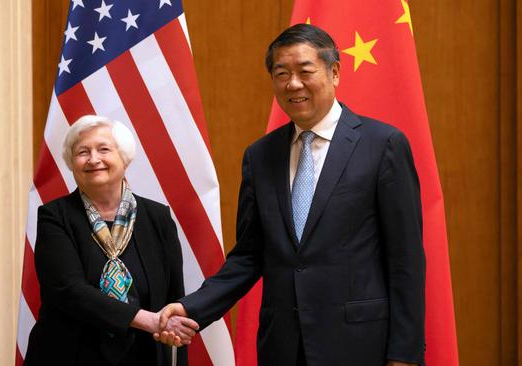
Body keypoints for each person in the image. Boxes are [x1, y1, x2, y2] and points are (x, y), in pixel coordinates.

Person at [156, 24, 425, 366]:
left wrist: (404, 355)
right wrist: (191, 306)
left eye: (305, 71)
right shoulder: (260, 155)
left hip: (360, 345)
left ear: (335, 72)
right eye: (281, 73)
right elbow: (249, 256)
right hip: (283, 346)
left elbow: (406, 261)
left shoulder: (382, 145)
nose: (293, 84)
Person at [24, 115, 197, 365]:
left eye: (104, 149)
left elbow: (173, 298)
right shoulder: (54, 216)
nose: (94, 159)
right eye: (82, 152)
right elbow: (68, 291)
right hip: (70, 355)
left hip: (144, 356)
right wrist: (146, 319)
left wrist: (172, 335)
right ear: (72, 163)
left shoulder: (157, 217)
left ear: (124, 157)